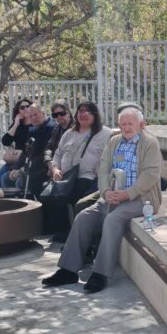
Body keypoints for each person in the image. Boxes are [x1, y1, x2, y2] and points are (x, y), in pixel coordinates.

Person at [41, 106, 162, 294]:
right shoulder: (114, 142)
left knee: (112, 219)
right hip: (112, 195)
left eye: (130, 124)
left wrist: (127, 194)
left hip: (141, 198)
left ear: (141, 124)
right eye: (122, 124)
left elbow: (151, 174)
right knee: (83, 217)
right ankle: (68, 270)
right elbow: (103, 170)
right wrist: (105, 191)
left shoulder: (150, 143)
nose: (126, 128)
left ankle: (100, 274)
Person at [43, 101, 111, 241]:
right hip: (65, 176)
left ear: (95, 115)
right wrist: (55, 169)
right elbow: (58, 153)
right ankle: (64, 229)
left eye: (88, 111)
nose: (83, 114)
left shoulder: (105, 133)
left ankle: (75, 235)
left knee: (77, 193)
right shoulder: (69, 133)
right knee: (48, 192)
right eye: (80, 111)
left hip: (88, 176)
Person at [6, 105, 56, 198]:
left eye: (35, 115)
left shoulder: (51, 128)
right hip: (31, 167)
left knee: (20, 182)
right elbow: (26, 152)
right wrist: (15, 168)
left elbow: (44, 154)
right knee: (6, 177)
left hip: (43, 168)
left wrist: (23, 169)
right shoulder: (33, 129)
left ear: (43, 113)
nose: (33, 118)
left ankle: (26, 203)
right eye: (30, 116)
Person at [0, 98, 32, 188]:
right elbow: (6, 141)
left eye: (27, 106)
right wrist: (16, 124)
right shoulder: (17, 126)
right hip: (15, 159)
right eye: (22, 107)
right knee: (2, 172)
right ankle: (0, 196)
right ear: (18, 111)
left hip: (27, 159)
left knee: (7, 176)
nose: (25, 109)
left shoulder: (35, 125)